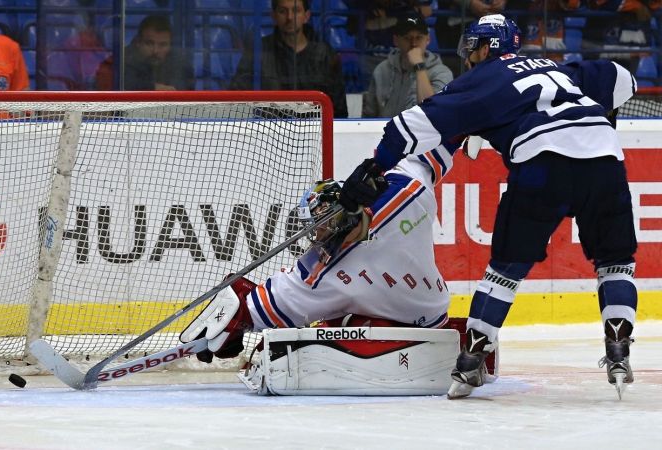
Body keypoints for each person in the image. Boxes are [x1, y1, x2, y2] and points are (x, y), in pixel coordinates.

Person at [338, 14, 638, 399]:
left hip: (541, 165)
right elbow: (623, 80)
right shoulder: (559, 67)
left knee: (505, 272)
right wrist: (599, 123)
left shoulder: (481, 79)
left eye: (472, 47)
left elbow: (408, 126)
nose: (468, 57)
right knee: (615, 262)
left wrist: (373, 168)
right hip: (604, 160)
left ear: (486, 47)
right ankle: (618, 352)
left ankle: (470, 363)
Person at [180, 141, 459, 381]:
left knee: (297, 347)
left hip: (405, 333)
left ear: (337, 218)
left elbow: (253, 306)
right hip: (434, 317)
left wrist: (232, 322)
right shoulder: (406, 191)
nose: (315, 234)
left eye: (319, 225)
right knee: (328, 328)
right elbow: (436, 141)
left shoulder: (321, 274)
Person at [230, 0, 348, 118]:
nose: (290, 17)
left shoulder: (325, 54)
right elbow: (236, 97)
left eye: (296, 11)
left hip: (316, 133)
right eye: (283, 11)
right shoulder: (258, 52)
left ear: (306, 16)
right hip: (268, 132)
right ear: (273, 16)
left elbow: (338, 108)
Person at [362, 12, 452, 118]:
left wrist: (419, 67)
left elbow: (431, 113)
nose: (413, 43)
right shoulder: (382, 70)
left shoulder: (441, 73)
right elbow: (368, 116)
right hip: (385, 132)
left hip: (420, 133)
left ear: (427, 39)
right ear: (396, 40)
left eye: (419, 37)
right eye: (407, 38)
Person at [95, 15, 194, 91]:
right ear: (138, 42)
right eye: (149, 43)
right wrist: (152, 88)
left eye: (163, 45)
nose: (155, 51)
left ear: (170, 46)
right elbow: (106, 84)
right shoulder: (119, 60)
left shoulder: (181, 65)